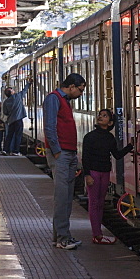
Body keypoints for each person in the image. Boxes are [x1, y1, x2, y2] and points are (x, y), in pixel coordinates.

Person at [43, 73, 87, 250]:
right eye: (80, 90)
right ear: (72, 86)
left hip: (68, 153)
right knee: (62, 197)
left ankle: (61, 236)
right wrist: (57, 152)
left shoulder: (65, 101)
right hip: (61, 154)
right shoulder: (54, 99)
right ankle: (62, 238)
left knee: (67, 196)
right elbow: (49, 126)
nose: (81, 94)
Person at [81, 109, 133, 244]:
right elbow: (85, 158)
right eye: (100, 115)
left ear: (110, 123)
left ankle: (98, 233)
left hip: (105, 172)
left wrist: (130, 146)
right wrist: (87, 175)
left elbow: (116, 155)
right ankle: (97, 234)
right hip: (93, 172)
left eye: (104, 116)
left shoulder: (110, 138)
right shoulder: (89, 137)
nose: (100, 117)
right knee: (94, 203)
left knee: (100, 203)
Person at [2, 80, 31, 156]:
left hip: (11, 121)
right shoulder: (17, 97)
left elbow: (5, 112)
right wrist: (29, 83)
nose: (13, 90)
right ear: (11, 92)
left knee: (9, 136)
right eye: (12, 89)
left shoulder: (5, 102)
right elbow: (25, 90)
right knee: (18, 135)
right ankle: (16, 151)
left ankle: (5, 150)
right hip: (18, 120)